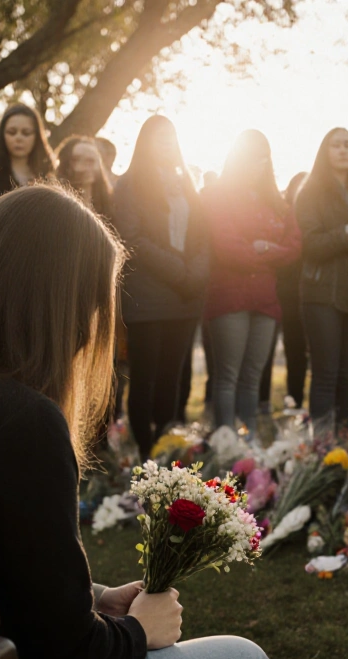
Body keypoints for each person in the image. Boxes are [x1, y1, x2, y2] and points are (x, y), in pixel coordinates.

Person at [0, 185, 275, 659]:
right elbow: (69, 654)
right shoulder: (20, 421)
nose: (93, 327)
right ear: (63, 302)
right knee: (244, 658)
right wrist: (138, 631)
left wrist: (95, 597)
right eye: (94, 304)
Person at [113, 116, 208, 458]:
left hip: (184, 298)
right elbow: (131, 236)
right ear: (144, 143)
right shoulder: (130, 184)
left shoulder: (187, 184)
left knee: (173, 378)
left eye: (171, 136)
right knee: (145, 379)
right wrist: (178, 271)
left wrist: (195, 272)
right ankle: (143, 453)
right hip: (148, 297)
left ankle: (166, 453)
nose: (166, 143)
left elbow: (203, 236)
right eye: (158, 137)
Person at [203, 130, 301, 436]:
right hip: (229, 296)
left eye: (263, 158)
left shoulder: (278, 201)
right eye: (251, 157)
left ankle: (250, 443)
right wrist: (267, 253)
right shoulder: (218, 195)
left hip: (266, 300)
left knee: (253, 376)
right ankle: (225, 441)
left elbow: (295, 247)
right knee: (228, 375)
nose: (257, 165)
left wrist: (267, 249)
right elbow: (226, 247)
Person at [296, 129, 348, 428]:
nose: (343, 151)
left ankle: (340, 444)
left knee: (346, 375)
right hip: (321, 294)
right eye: (336, 145)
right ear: (324, 151)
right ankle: (320, 447)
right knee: (326, 374)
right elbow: (311, 245)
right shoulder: (310, 193)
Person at [259, 171, 310, 413]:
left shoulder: (313, 217)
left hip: (300, 295)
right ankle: (261, 403)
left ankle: (295, 402)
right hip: (273, 290)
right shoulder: (280, 216)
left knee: (296, 350)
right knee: (264, 350)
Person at [0, 103, 55, 216]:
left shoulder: (47, 173)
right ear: (2, 135)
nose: (18, 138)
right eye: (11, 132)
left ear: (37, 136)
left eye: (26, 133)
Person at [56, 135, 114, 221]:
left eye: (90, 161)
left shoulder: (109, 203)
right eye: (75, 159)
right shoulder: (55, 201)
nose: (82, 167)